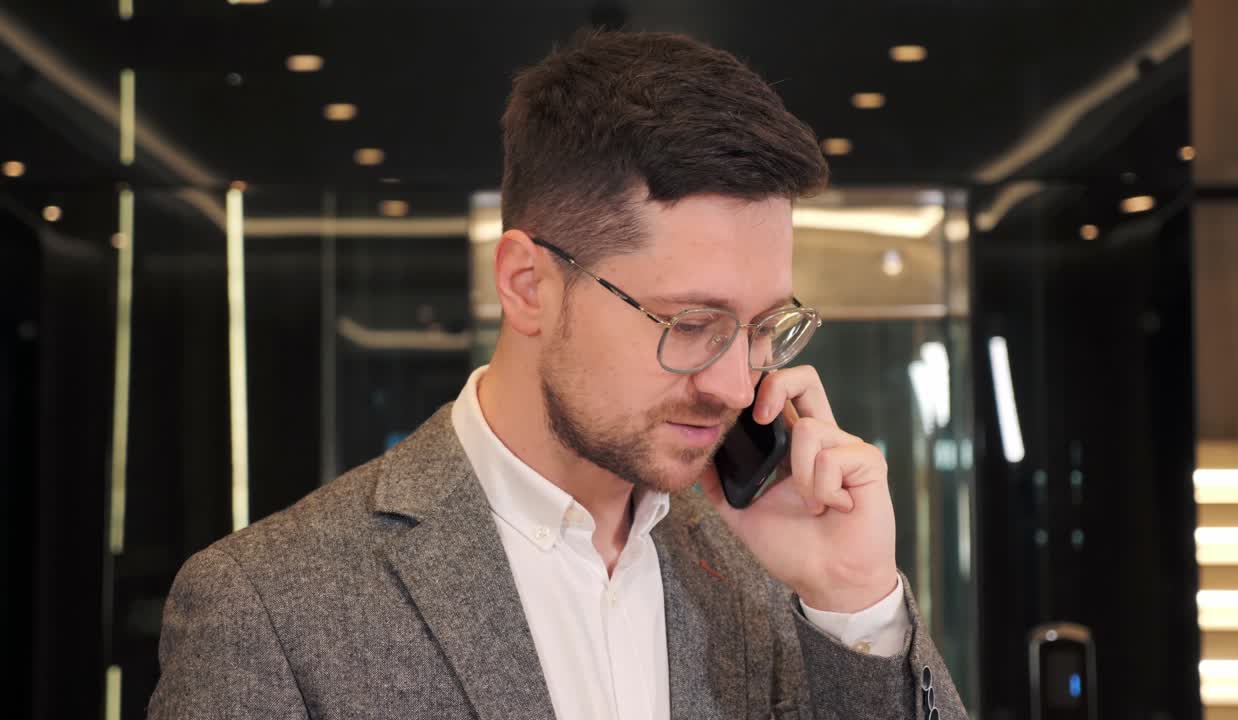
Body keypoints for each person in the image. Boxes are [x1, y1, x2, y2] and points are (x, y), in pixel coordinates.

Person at [148, 30, 965, 720]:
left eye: (762, 328)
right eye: (690, 325)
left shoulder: (776, 569)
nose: (734, 384)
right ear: (527, 285)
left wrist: (857, 602)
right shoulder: (270, 608)